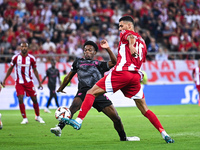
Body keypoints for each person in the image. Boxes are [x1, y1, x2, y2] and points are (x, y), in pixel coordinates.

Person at [63, 16, 175, 143]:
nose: (119, 28)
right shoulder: (143, 42)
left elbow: (130, 37)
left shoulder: (126, 34)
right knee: (145, 109)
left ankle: (78, 121)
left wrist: (131, 46)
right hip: (135, 77)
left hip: (122, 72)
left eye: (121, 25)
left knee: (91, 92)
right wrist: (126, 48)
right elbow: (140, 58)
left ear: (129, 26)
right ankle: (164, 133)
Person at [50, 40, 138, 141]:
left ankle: (123, 138)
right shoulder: (78, 62)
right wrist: (61, 88)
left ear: (95, 52)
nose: (87, 52)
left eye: (90, 50)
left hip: (97, 92)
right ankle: (59, 128)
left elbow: (114, 62)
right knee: (73, 107)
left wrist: (107, 48)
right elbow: (68, 77)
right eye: (85, 50)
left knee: (116, 118)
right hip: (83, 91)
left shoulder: (99, 64)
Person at [2, 42, 45, 124]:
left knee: (34, 99)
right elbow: (10, 68)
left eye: (25, 46)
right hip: (19, 82)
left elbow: (35, 70)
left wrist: (39, 82)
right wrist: (4, 80)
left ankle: (38, 116)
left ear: (27, 48)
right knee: (20, 98)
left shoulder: (31, 58)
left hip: (29, 82)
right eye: (22, 46)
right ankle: (25, 118)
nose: (24, 48)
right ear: (20, 48)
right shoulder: (15, 58)